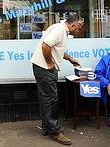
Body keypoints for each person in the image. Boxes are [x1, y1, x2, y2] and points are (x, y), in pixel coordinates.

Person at [30, 14, 84, 145]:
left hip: (41, 68)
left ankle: (46, 126)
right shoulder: (60, 30)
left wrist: (71, 59)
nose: (79, 31)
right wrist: (49, 64)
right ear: (72, 24)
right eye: (79, 27)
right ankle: (55, 131)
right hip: (45, 69)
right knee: (51, 99)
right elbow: (45, 46)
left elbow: (55, 49)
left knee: (46, 99)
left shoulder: (60, 29)